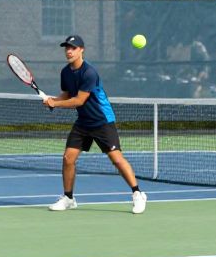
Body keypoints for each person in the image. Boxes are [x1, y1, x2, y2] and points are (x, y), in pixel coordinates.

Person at [44, 35, 147, 215]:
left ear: (81, 50)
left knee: (116, 159)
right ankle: (68, 198)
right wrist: (53, 99)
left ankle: (138, 193)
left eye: (73, 48)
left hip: (102, 121)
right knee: (68, 158)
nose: (69, 51)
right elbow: (67, 95)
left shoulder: (89, 72)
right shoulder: (65, 72)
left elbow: (79, 100)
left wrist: (56, 104)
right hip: (83, 122)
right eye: (66, 48)